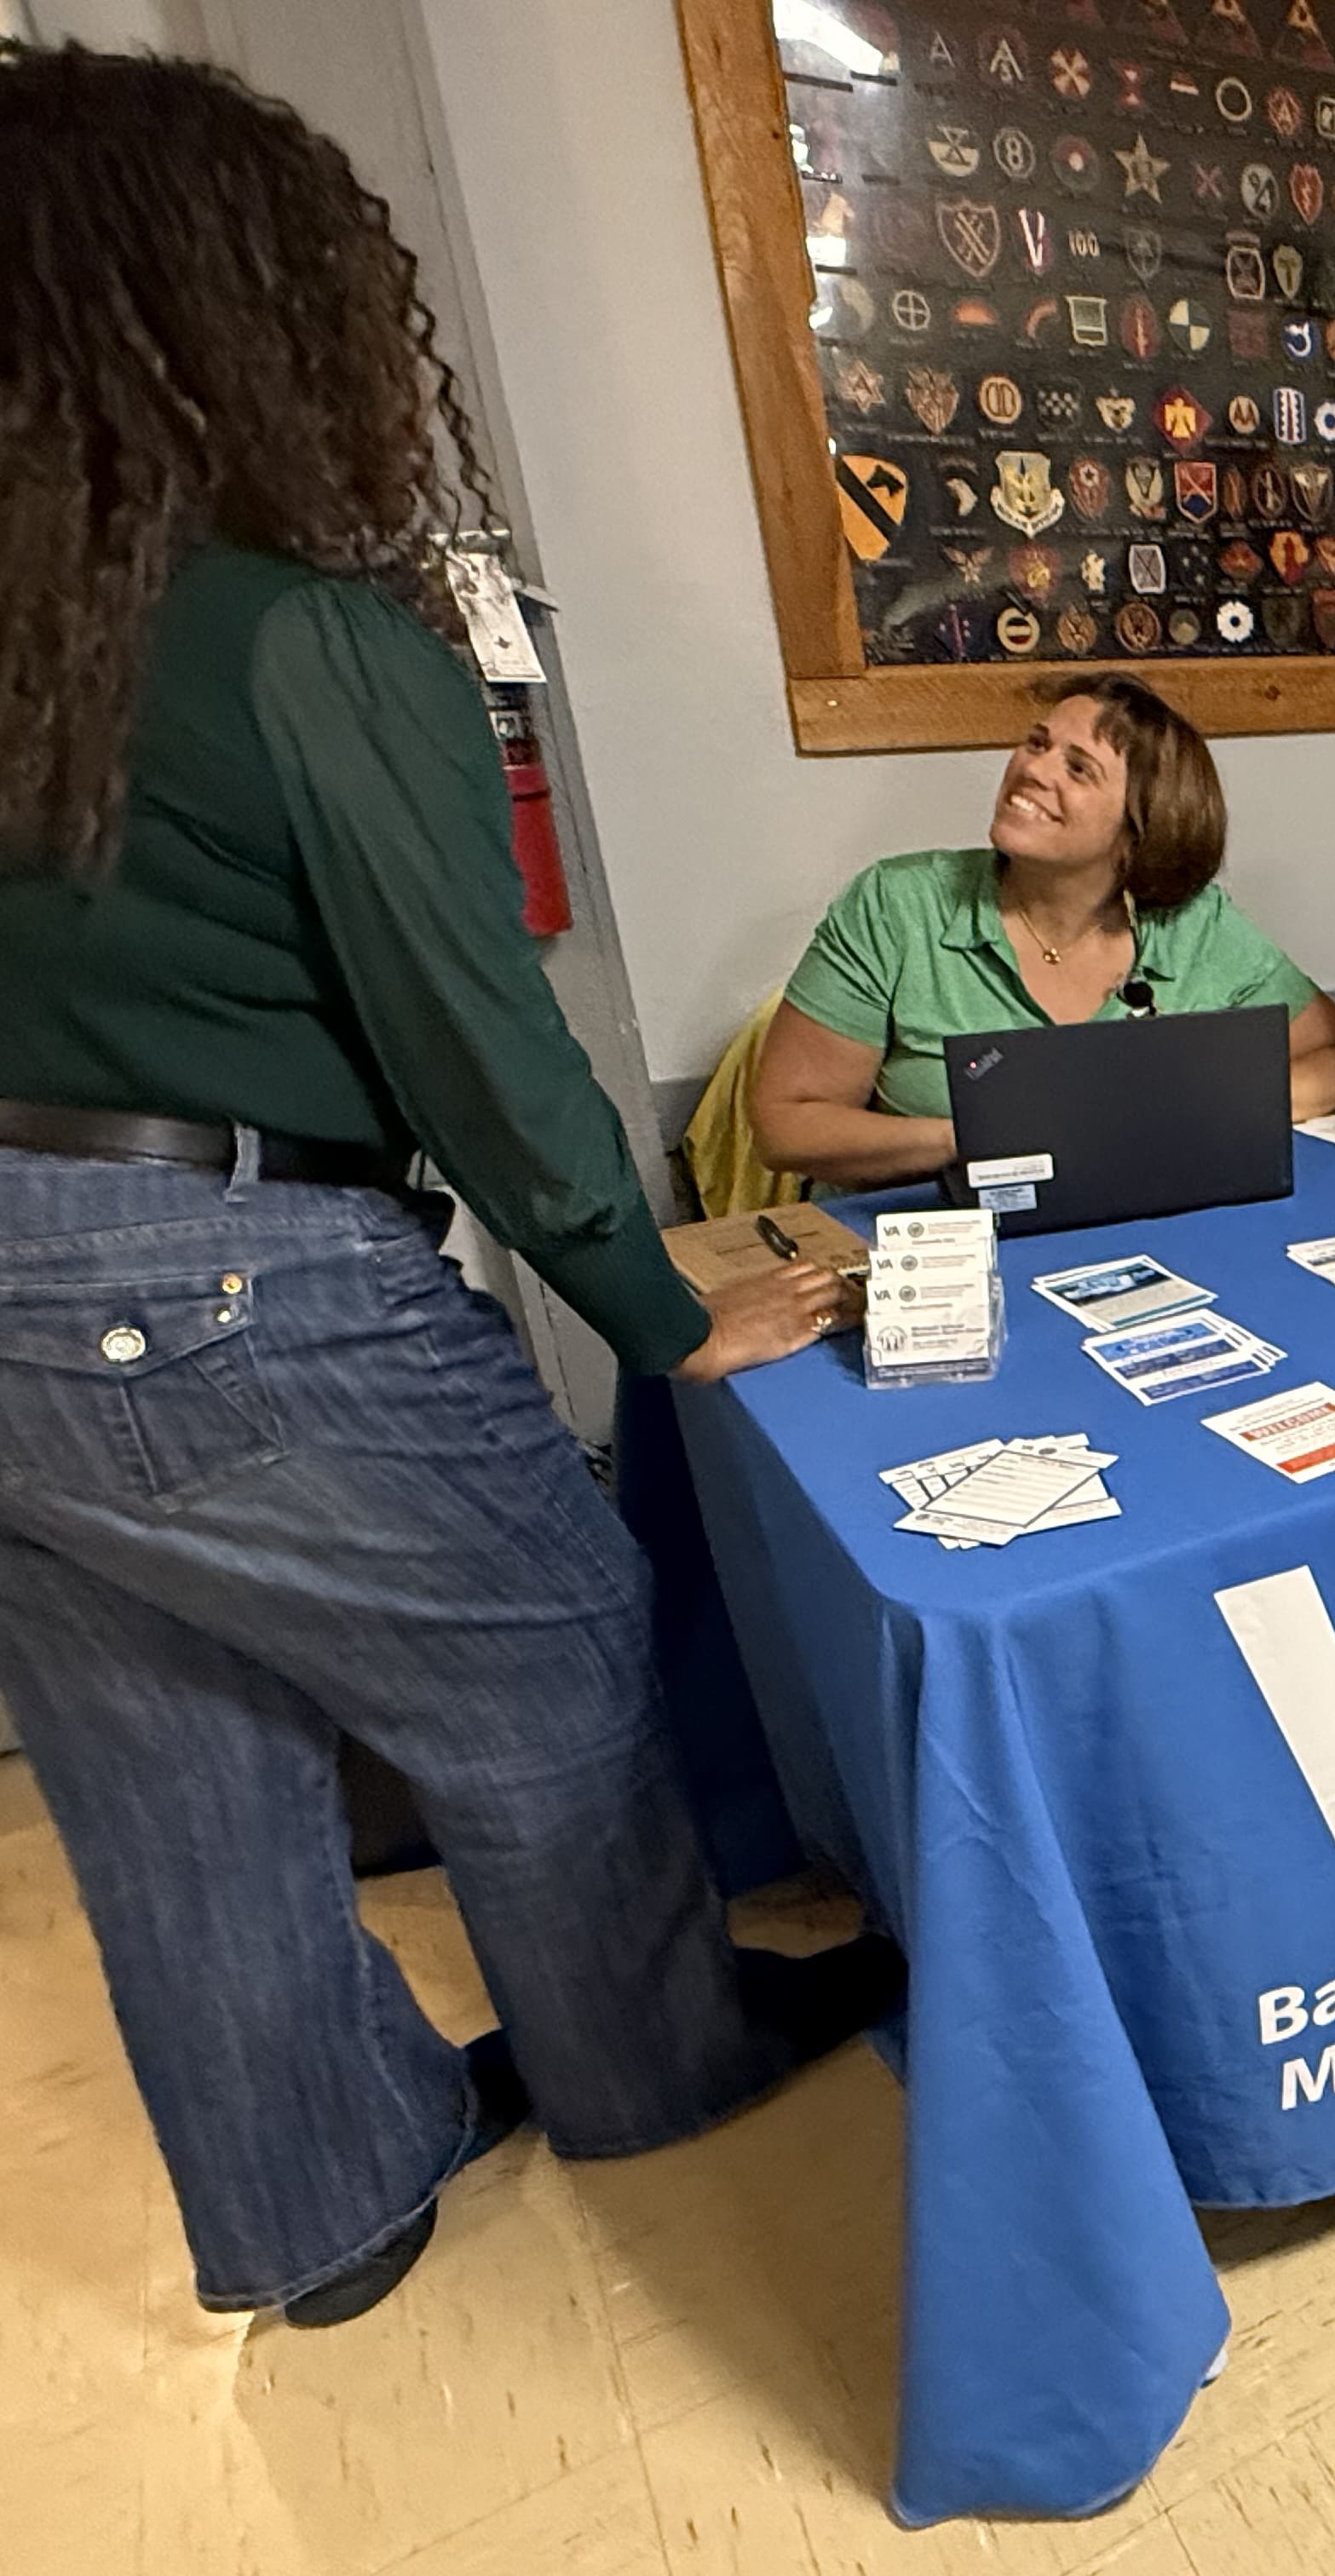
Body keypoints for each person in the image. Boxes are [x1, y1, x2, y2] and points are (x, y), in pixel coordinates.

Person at [0, 48, 896, 2329]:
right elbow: (482, 1051)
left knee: (166, 1752)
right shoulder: (300, 632)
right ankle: (656, 2069)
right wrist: (664, 1303)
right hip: (228, 1262)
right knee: (559, 1653)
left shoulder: (47, 641)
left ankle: (323, 2206)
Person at [751, 677, 1335, 1186]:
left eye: (1078, 769)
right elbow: (786, 1126)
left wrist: (1194, 1114)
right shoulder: (897, 904)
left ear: (1140, 831)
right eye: (1036, 743)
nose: (1033, 769)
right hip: (933, 1241)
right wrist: (979, 1140)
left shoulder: (1194, 921)